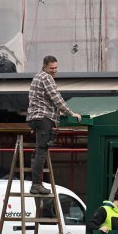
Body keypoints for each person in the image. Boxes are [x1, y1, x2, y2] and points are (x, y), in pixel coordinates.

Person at [26, 55, 81, 195]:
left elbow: (43, 99)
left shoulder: (37, 77)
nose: (54, 71)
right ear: (45, 66)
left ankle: (34, 179)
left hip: (35, 117)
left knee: (39, 150)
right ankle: (36, 184)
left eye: (56, 68)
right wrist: (70, 113)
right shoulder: (46, 77)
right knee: (42, 150)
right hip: (44, 118)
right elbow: (56, 97)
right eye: (52, 68)